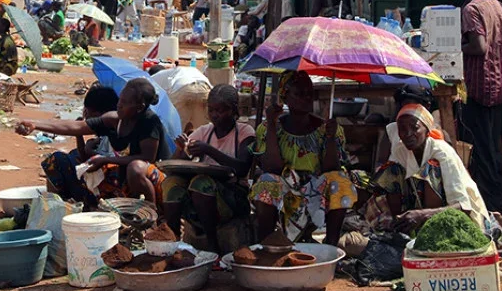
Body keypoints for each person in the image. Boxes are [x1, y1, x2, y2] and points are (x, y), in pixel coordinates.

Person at [22, 78, 167, 206]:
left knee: (134, 167)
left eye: (124, 102)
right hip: (122, 179)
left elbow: (148, 158)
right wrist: (35, 124)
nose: (119, 105)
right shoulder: (114, 119)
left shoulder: (149, 122)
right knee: (63, 161)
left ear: (140, 107)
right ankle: (64, 207)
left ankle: (150, 213)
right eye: (120, 100)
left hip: (153, 179)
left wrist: (105, 160)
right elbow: (76, 127)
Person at [251, 71, 356, 246]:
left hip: (316, 189)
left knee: (341, 182)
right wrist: (271, 126)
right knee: (265, 183)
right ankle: (265, 245)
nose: (306, 98)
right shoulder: (268, 128)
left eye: (309, 93)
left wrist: (330, 138)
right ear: (285, 97)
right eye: (299, 94)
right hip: (286, 187)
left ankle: (330, 246)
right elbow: (272, 168)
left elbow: (332, 169)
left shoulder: (327, 129)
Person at [364, 104, 495, 235]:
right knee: (391, 171)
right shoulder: (401, 150)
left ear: (427, 131)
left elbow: (463, 207)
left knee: (430, 170)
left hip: (455, 214)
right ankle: (401, 227)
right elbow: (390, 182)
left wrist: (421, 215)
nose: (408, 134)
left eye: (415, 128)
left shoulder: (442, 152)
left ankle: (432, 230)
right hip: (420, 208)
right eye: (402, 129)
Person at [162, 85, 256, 252]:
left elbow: (242, 168)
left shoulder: (244, 131)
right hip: (201, 199)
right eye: (211, 110)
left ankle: (212, 247)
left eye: (220, 111)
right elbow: (172, 168)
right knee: (172, 183)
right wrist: (180, 148)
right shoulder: (204, 132)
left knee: (201, 183)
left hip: (233, 198)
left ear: (234, 110)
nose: (215, 115)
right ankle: (173, 241)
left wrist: (209, 150)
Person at [454, 0, 502, 213]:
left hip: (479, 87)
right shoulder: (496, 5)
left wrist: (454, 49)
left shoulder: (471, 9)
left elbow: (479, 46)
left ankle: (492, 206)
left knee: (482, 152)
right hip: (497, 85)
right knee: (493, 147)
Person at [151, 65, 212, 135]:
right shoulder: (182, 71)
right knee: (201, 133)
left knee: (175, 133)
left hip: (183, 88)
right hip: (204, 88)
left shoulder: (154, 77)